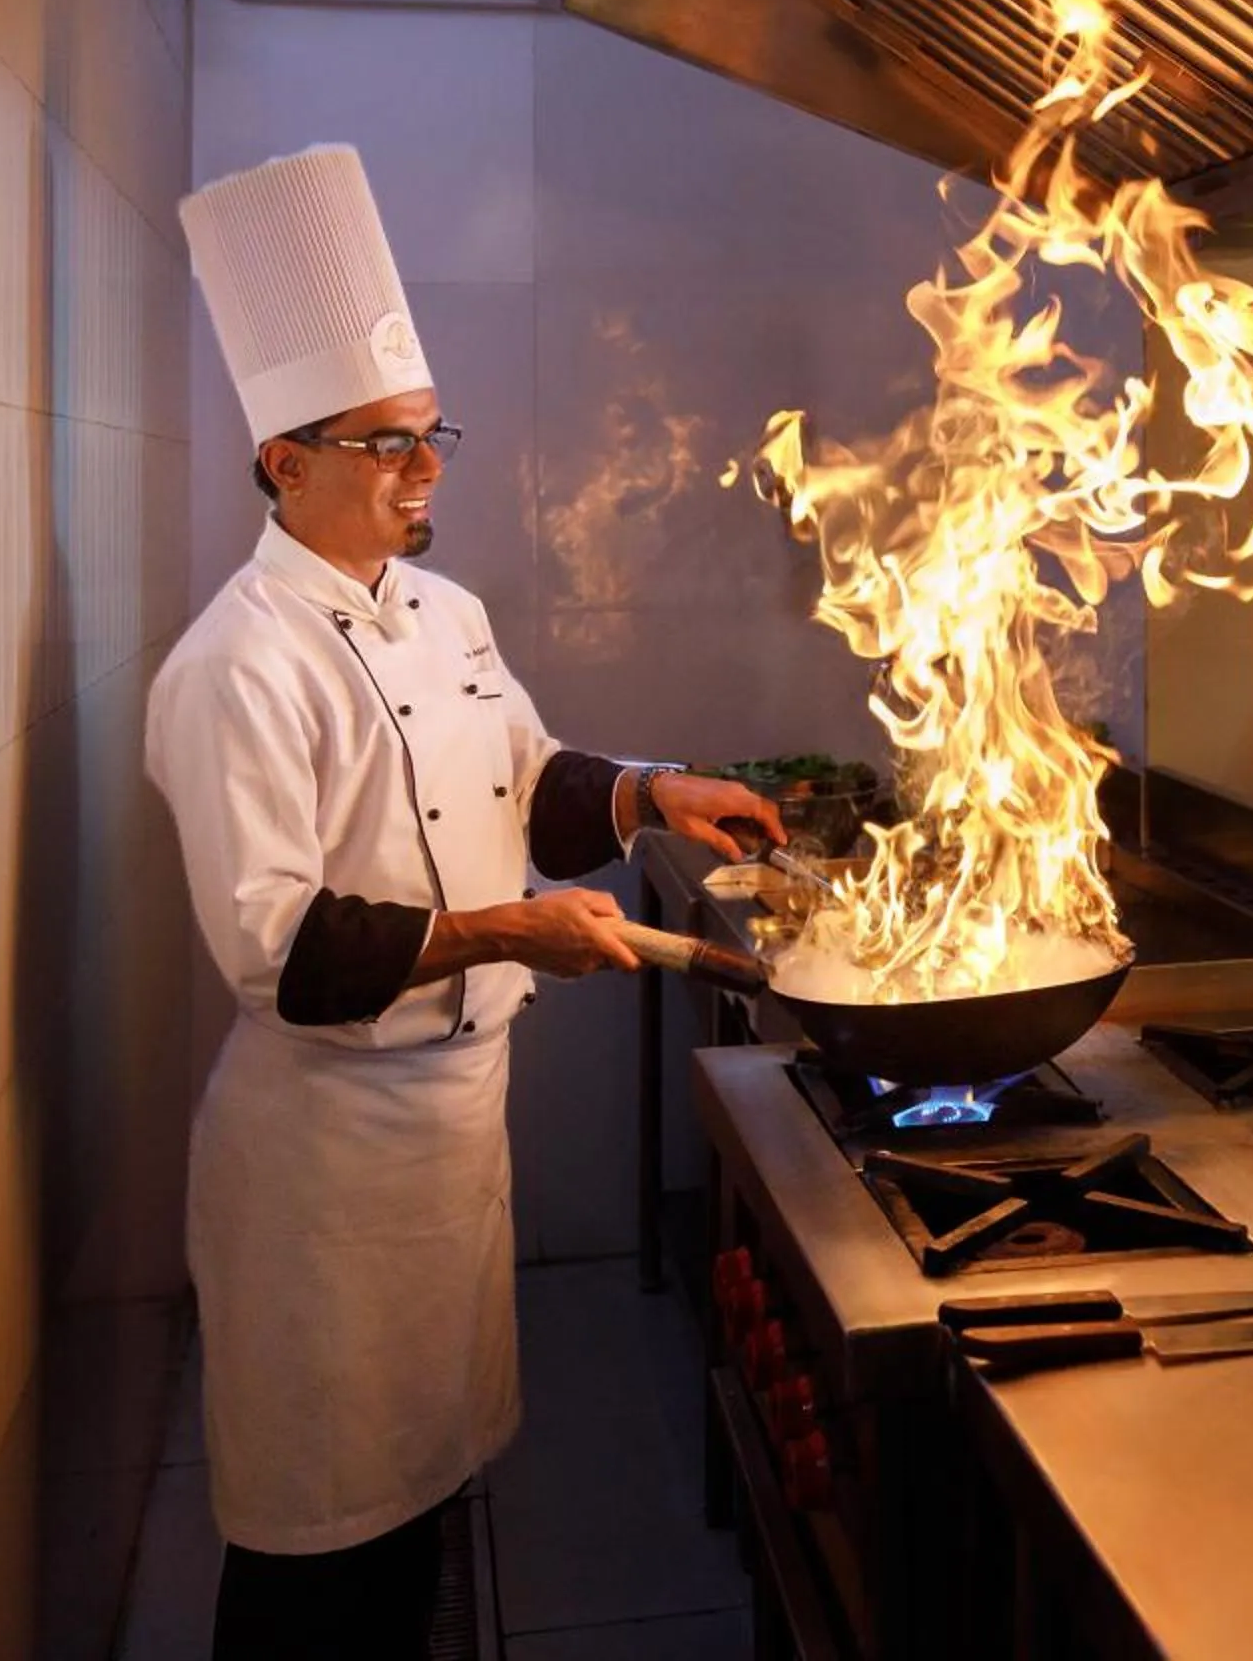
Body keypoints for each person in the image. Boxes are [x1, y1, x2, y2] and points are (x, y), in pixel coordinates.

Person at [145, 145, 784, 1658]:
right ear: (280, 462)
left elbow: (522, 780)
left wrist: (646, 789)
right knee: (314, 1559)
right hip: (324, 1161)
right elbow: (279, 952)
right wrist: (515, 932)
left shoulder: (447, 609)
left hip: (453, 1129)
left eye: (433, 440)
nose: (424, 473)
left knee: (424, 1513)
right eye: (385, 447)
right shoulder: (235, 667)